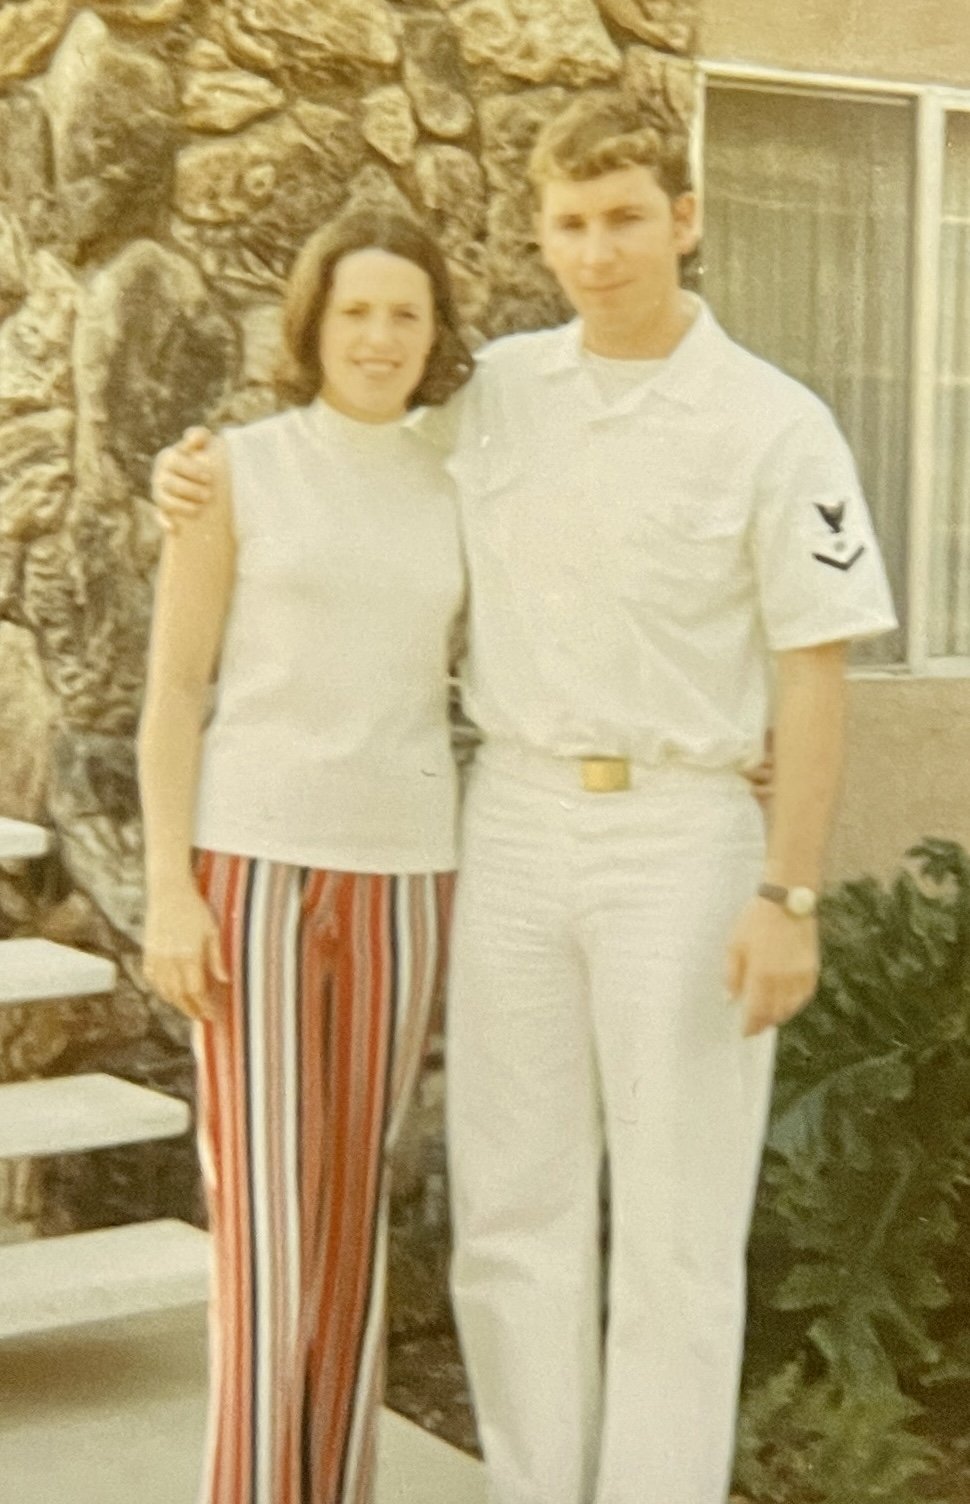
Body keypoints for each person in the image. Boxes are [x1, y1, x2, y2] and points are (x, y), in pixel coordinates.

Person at [151, 90, 894, 1504]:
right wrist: (190, 472)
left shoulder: (773, 424)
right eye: (568, 224)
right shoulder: (492, 395)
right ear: (540, 238)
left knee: (673, 1230)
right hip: (508, 826)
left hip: (682, 839)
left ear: (684, 222)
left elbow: (813, 673)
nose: (596, 250)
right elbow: (339, 457)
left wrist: (786, 887)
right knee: (510, 1213)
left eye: (625, 219)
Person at [137, 206, 472, 1504]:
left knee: (346, 1237)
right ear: (312, 326)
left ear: (435, 331)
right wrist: (171, 890)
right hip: (257, 876)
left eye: (404, 311)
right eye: (355, 311)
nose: (379, 336)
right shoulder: (235, 470)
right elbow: (173, 690)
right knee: (270, 1235)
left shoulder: (461, 480)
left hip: (404, 879)